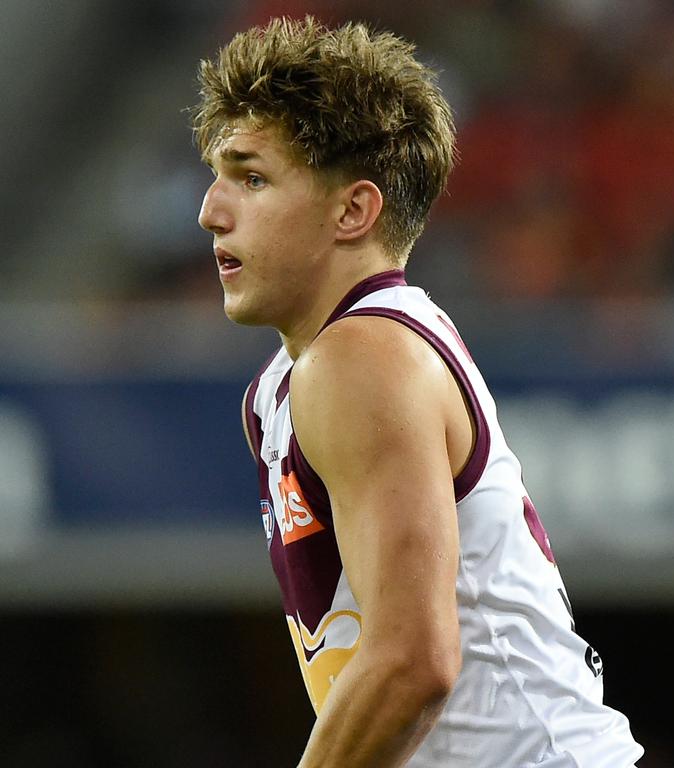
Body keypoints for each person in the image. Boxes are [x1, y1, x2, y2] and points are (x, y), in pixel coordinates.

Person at [194, 16, 643, 768]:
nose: (210, 209)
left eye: (251, 177)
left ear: (353, 211)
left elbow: (412, 663)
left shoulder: (361, 358)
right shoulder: (285, 387)